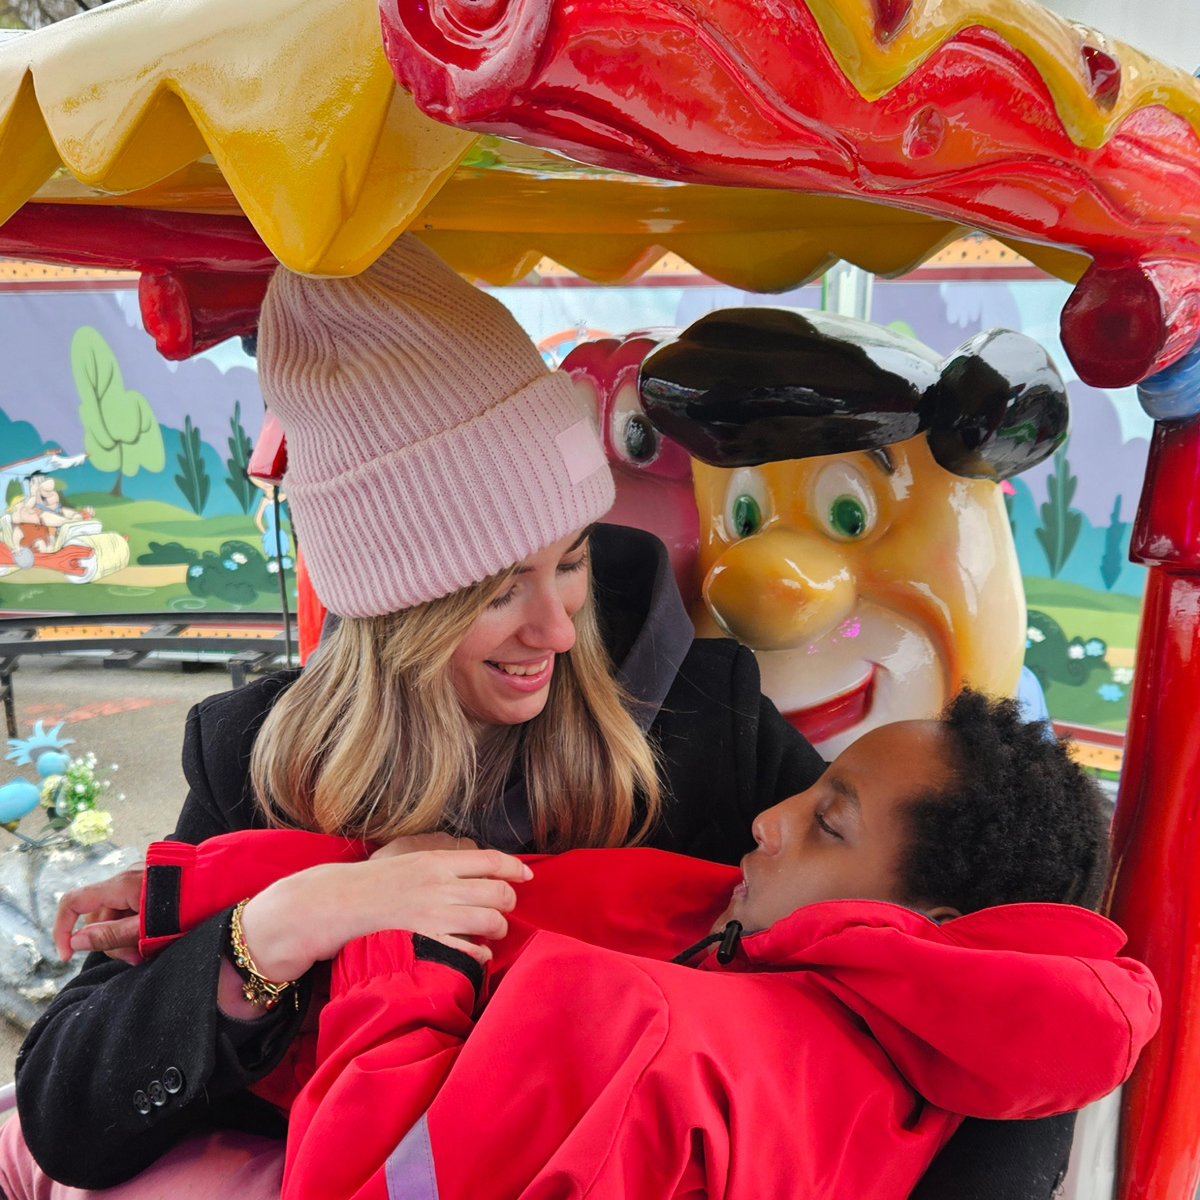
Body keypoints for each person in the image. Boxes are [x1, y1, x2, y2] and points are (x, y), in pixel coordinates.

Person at [7, 235, 824, 1193]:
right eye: (495, 592)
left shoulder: (701, 716)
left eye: (569, 561)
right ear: (396, 609)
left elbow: (922, 940)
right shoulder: (257, 758)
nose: (559, 632)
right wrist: (282, 925)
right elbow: (67, 1113)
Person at [107, 692, 1157, 1200]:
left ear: (926, 925)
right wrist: (201, 888)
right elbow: (492, 892)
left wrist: (393, 940)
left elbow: (370, 1183)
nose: (768, 819)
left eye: (828, 822)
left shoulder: (664, 1038)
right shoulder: (769, 949)